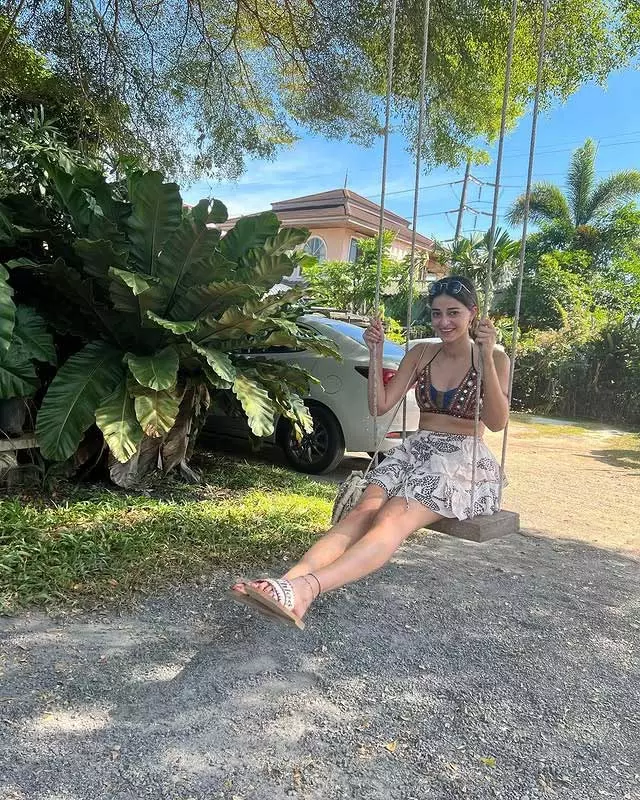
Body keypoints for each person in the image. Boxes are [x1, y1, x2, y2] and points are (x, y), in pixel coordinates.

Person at [230, 276, 510, 628]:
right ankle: (287, 584)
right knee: (362, 510)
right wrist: (375, 353)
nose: (444, 322)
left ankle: (307, 589)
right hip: (417, 450)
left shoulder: (494, 358)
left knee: (391, 517)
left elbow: (497, 422)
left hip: (460, 461)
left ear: (473, 313)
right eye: (436, 313)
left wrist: (485, 356)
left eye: (453, 313)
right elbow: (380, 406)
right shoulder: (422, 354)